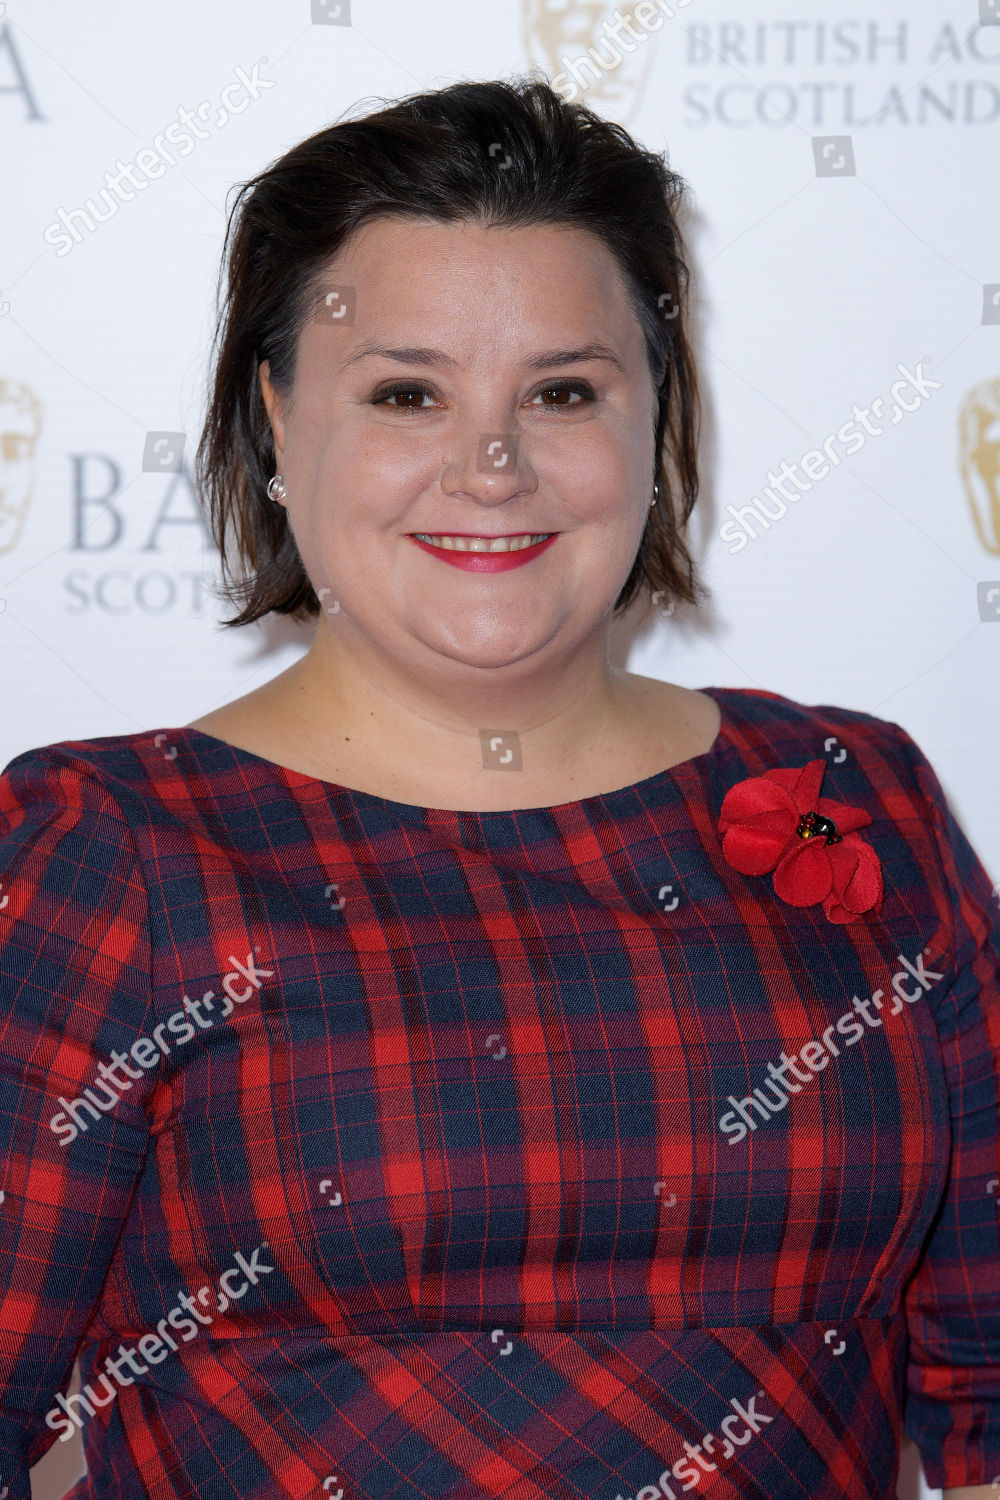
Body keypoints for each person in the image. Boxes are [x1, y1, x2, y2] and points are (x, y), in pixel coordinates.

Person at [0, 75, 996, 1500]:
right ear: (277, 421)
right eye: (408, 392)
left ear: (656, 417)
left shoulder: (859, 796)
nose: (492, 463)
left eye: (563, 392)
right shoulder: (110, 852)